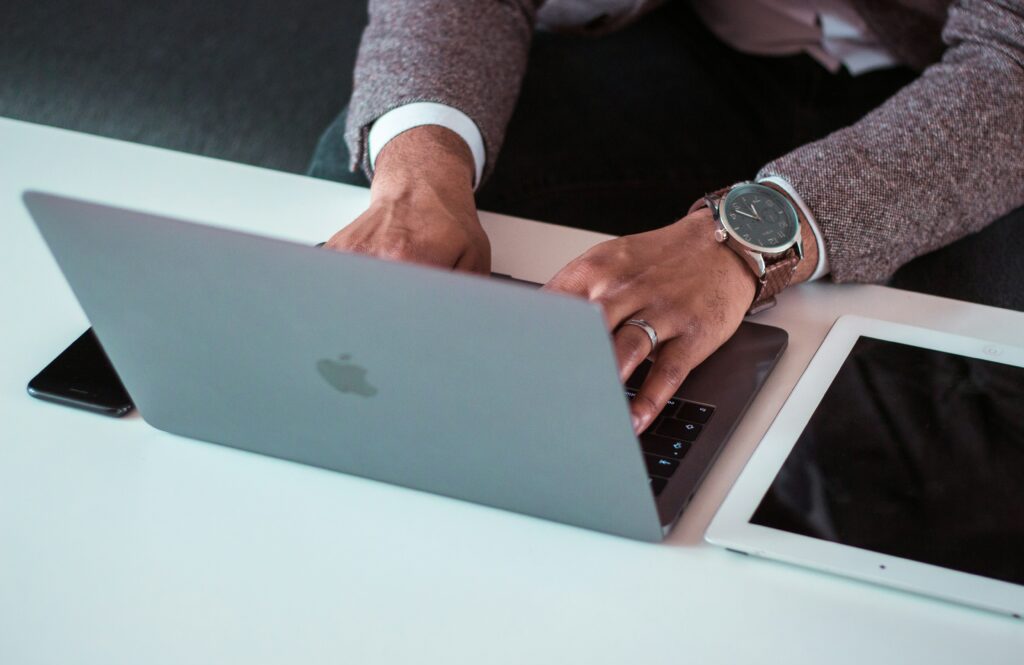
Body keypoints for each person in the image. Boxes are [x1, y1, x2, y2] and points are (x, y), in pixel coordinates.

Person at [308, 0, 1024, 434]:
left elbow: (1012, 58)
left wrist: (751, 238)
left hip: (955, 82)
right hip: (685, 40)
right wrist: (421, 177)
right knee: (384, 181)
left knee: (967, 388)